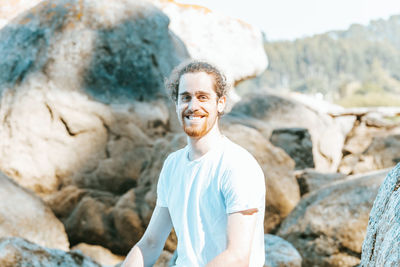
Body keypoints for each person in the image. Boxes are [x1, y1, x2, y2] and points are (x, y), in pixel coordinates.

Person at [122, 60, 266, 267]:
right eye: (185, 97)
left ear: (221, 103)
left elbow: (237, 257)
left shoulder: (238, 165)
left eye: (202, 97)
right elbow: (151, 243)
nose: (192, 106)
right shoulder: (173, 165)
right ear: (177, 103)